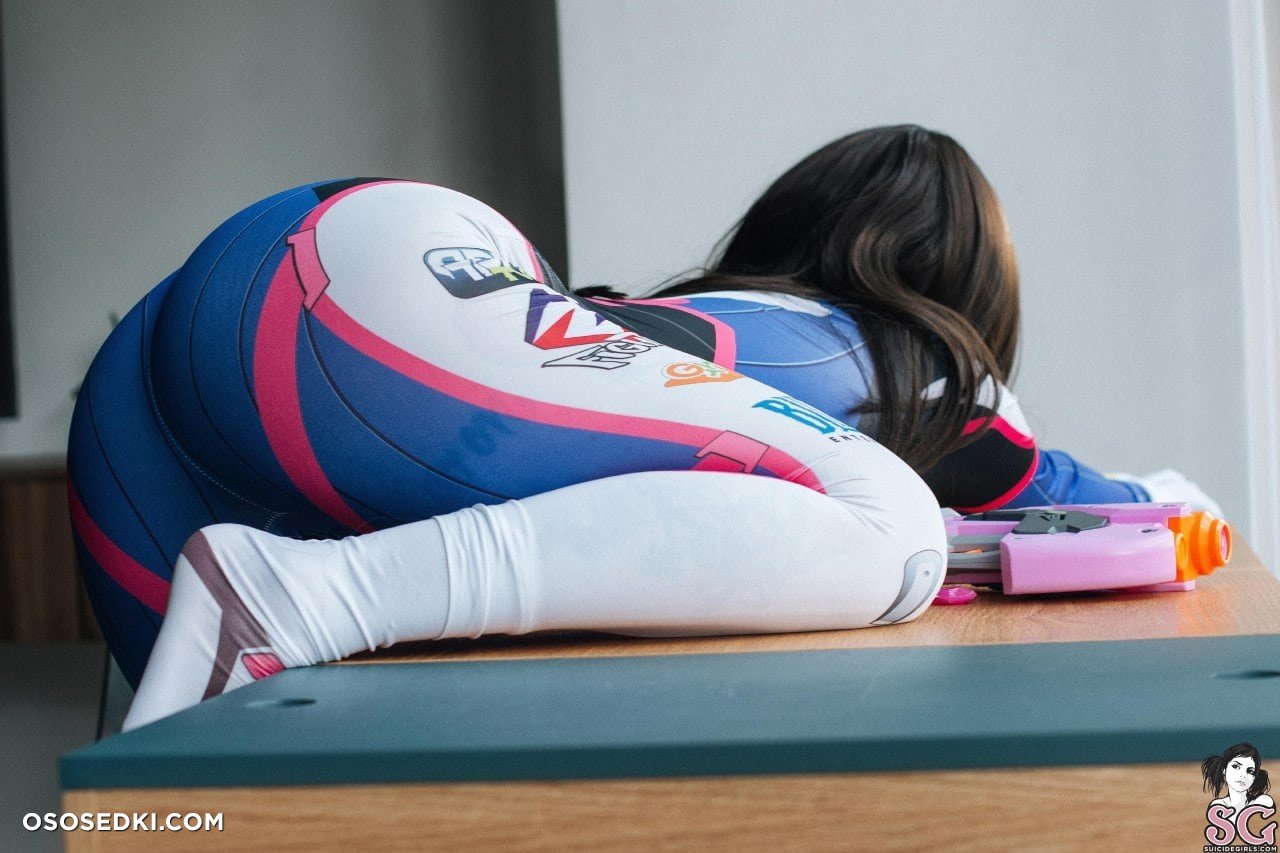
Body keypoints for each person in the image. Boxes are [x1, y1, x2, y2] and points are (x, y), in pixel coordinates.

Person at [65, 127, 1215, 731]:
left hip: (195, 348)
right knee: (899, 531)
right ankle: (309, 593)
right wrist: (1175, 499)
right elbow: (1107, 505)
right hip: (359, 307)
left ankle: (298, 595)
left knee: (188, 789)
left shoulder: (679, 331)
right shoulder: (925, 364)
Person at [1202, 743, 1274, 816]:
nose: (1243, 775)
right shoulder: (1218, 805)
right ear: (1224, 769)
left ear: (1255, 777)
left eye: (1250, 771)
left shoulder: (1263, 801)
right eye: (1235, 766)